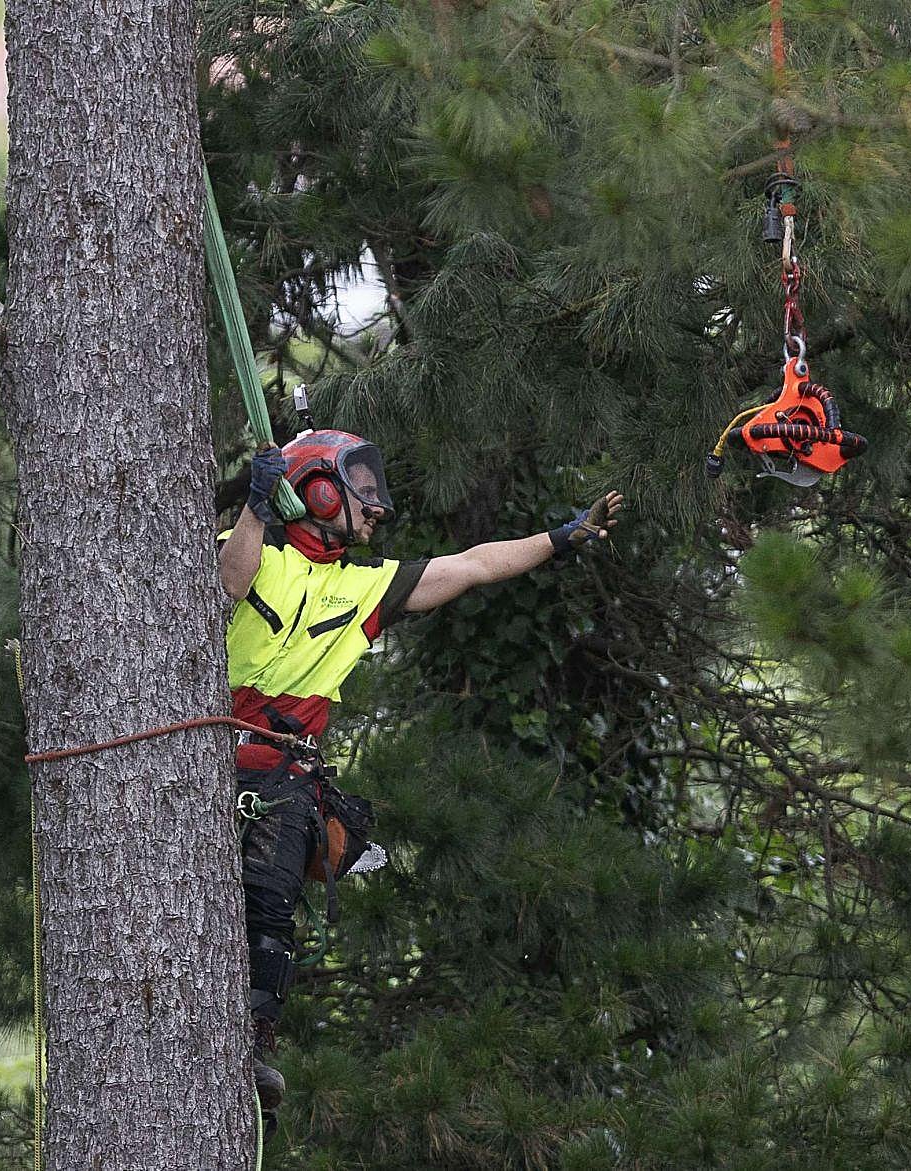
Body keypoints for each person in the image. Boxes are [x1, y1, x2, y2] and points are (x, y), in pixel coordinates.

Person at [216, 429, 624, 1127]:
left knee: (270, 908)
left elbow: (472, 565)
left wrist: (561, 536)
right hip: (205, 758)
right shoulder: (256, 550)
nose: (378, 509)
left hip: (282, 774)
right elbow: (229, 582)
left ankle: (248, 1048)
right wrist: (256, 507)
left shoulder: (366, 587)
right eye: (362, 490)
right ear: (315, 487)